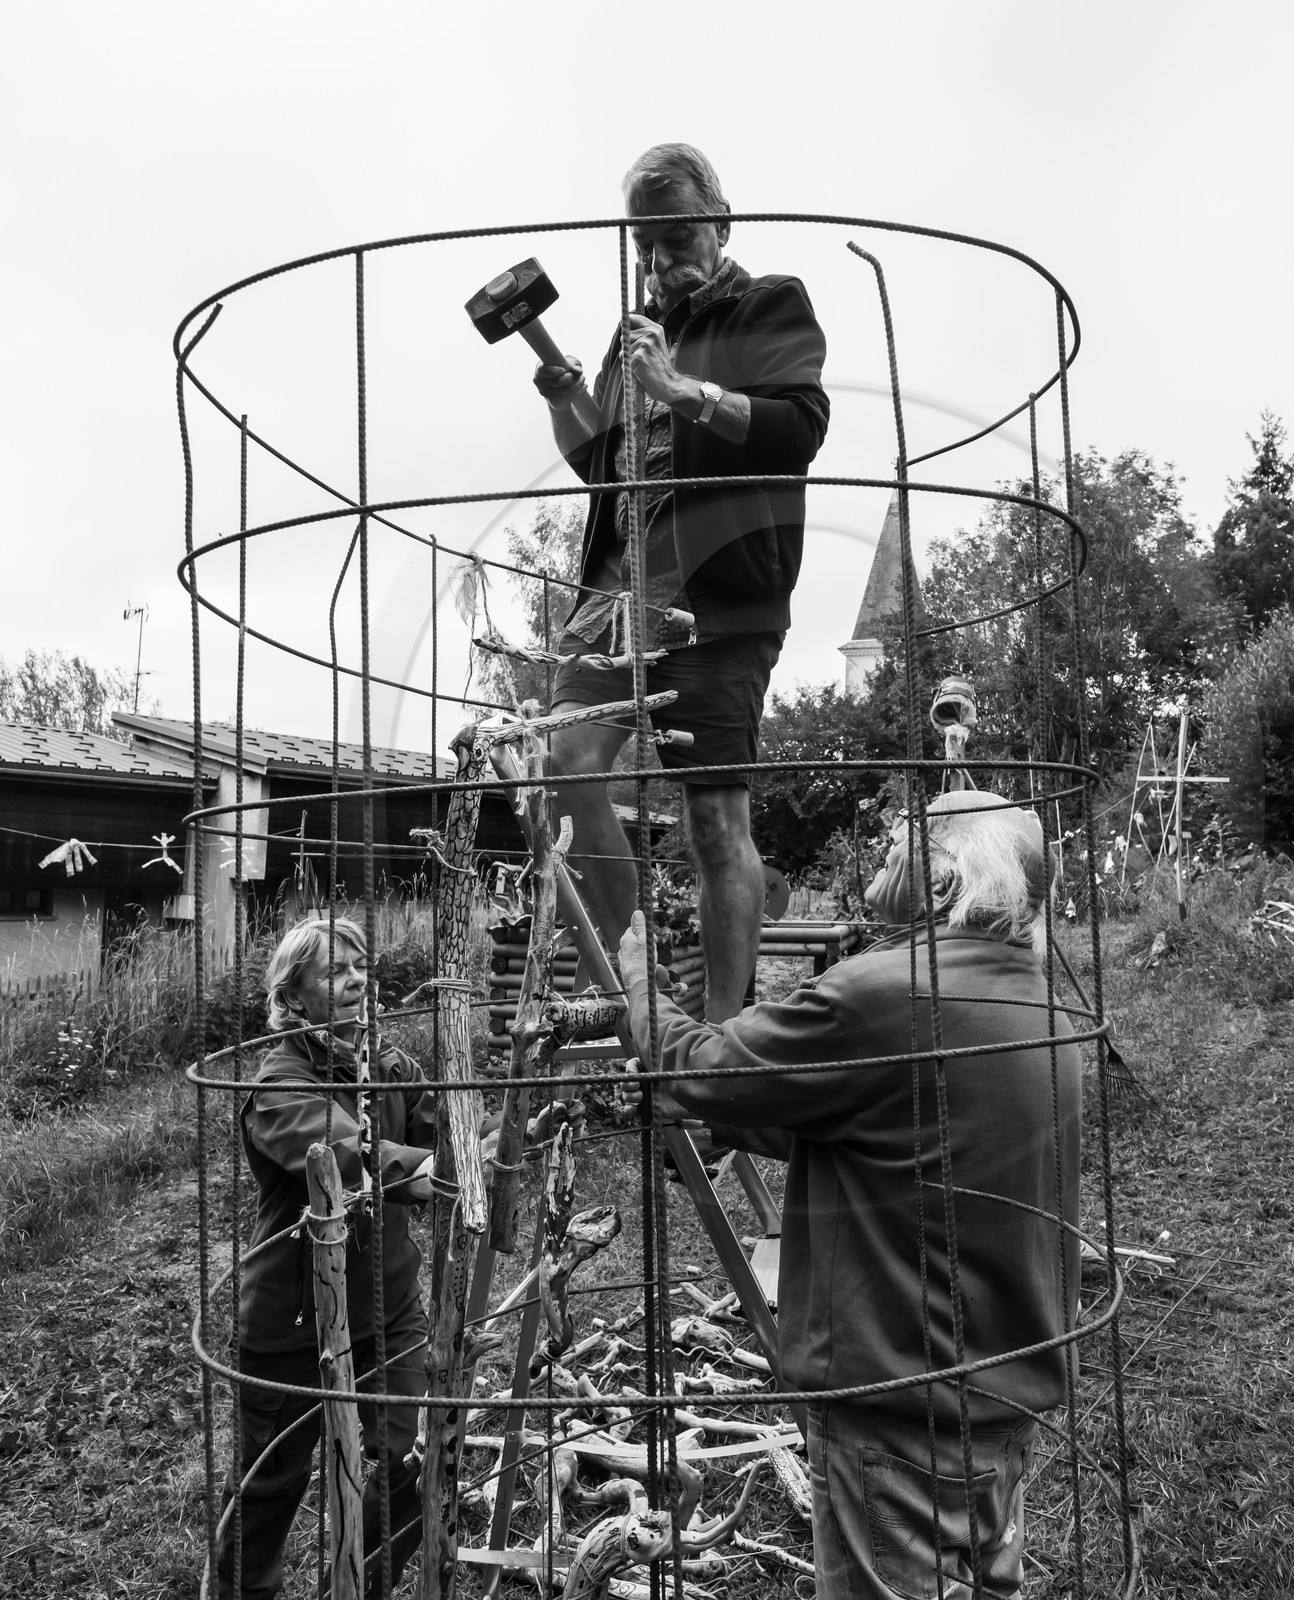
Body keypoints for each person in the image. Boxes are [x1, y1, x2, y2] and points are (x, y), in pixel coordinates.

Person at [618, 791, 1080, 1600]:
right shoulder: (1037, 1005)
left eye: (900, 847)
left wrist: (641, 995)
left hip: (903, 1402)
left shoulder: (887, 994)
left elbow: (705, 1067)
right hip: (1002, 1386)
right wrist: (751, 1121)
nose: (880, 857)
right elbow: (895, 1139)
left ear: (943, 886)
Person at [532, 141, 829, 1023]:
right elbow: (604, 466)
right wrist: (564, 397)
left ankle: (725, 1038)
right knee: (560, 758)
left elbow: (798, 428)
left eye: (679, 236)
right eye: (645, 246)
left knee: (713, 821)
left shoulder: (769, 303)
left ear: (721, 223)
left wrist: (679, 385)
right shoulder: (630, 336)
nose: (660, 261)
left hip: (718, 600)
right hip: (614, 602)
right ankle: (613, 987)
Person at [214, 916, 500, 1599]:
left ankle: (358, 1586)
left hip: (390, 1308)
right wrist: (439, 1169)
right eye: (334, 972)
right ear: (293, 995)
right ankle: (241, 1593)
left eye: (361, 968)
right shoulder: (278, 1084)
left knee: (405, 1463)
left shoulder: (389, 1067)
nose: (355, 983)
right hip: (294, 1322)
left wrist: (503, 1132)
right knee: (271, 1484)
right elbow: (351, 1158)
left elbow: (450, 1128)